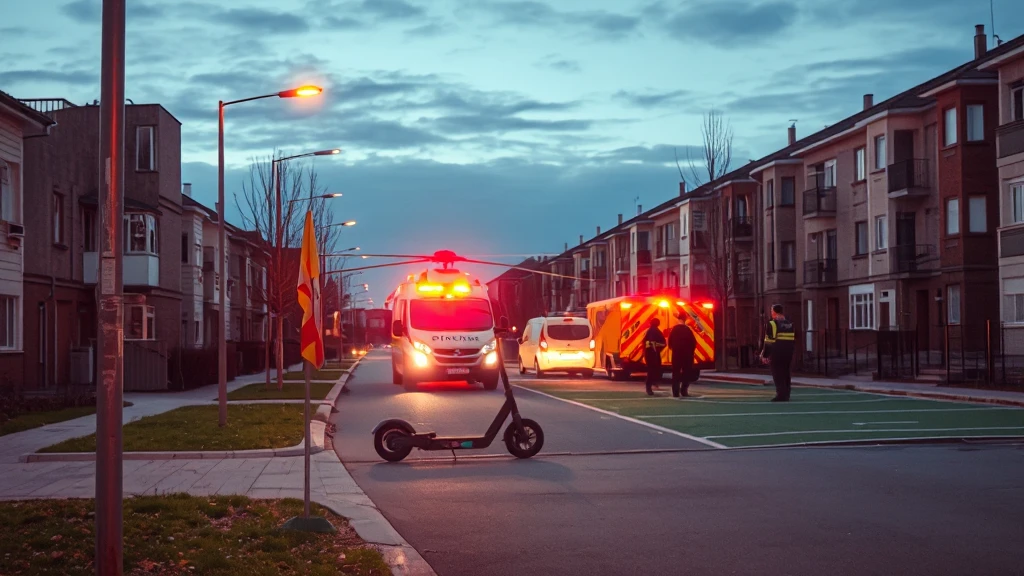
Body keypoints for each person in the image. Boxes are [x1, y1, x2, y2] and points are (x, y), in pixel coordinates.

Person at [760, 304, 795, 402]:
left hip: (777, 351)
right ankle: (786, 394)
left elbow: (769, 341)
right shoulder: (789, 324)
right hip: (789, 351)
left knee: (777, 373)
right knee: (786, 372)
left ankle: (781, 395)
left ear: (774, 312)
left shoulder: (772, 324)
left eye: (771, 311)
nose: (771, 313)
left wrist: (765, 355)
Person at [668, 314, 698, 397]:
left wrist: (674, 349)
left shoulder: (674, 330)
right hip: (687, 356)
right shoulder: (687, 330)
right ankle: (684, 390)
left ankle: (675, 392)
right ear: (685, 319)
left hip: (676, 355)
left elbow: (670, 343)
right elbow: (693, 343)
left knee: (675, 373)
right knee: (686, 373)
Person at [643, 318, 667, 396]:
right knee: (653, 370)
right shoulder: (656, 331)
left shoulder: (649, 331)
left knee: (652, 370)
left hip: (649, 353)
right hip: (653, 354)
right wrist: (657, 349)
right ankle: (649, 386)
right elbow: (660, 343)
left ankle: (651, 384)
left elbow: (646, 342)